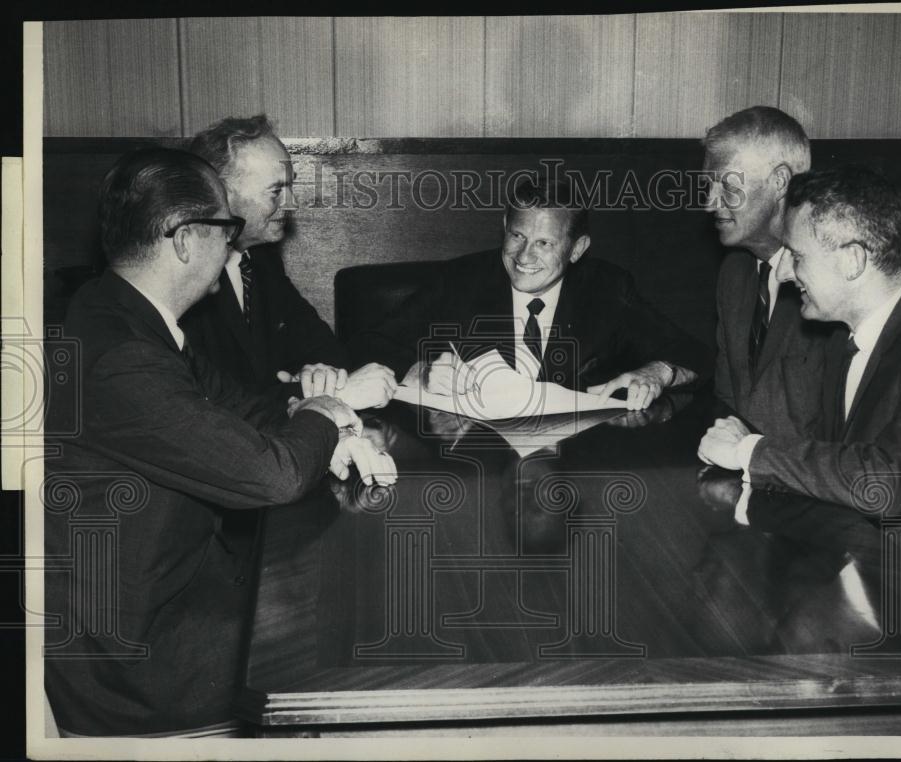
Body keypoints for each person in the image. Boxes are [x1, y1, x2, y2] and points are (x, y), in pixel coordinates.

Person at [44, 148, 397, 736]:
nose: (235, 247)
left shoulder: (120, 311)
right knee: (362, 633)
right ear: (185, 240)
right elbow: (275, 476)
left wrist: (313, 421)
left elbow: (243, 406)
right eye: (226, 231)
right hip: (141, 659)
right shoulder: (121, 358)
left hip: (172, 593)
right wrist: (329, 414)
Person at [697, 166, 901, 515]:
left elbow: (883, 486)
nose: (783, 272)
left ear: (852, 260)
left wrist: (747, 450)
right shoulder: (840, 337)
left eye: (796, 256)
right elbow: (832, 459)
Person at [353, 176, 710, 411]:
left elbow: (694, 354)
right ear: (504, 227)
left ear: (577, 248)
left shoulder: (607, 289)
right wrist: (421, 372)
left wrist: (658, 373)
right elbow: (365, 345)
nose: (525, 257)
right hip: (476, 466)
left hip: (575, 465)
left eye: (544, 243)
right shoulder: (459, 279)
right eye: (518, 236)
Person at [183, 114, 396, 406]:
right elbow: (207, 402)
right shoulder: (187, 277)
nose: (291, 202)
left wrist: (319, 374)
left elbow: (322, 346)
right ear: (218, 194)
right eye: (276, 191)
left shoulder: (261, 259)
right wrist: (317, 394)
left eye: (291, 186)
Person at [703, 106, 840, 437]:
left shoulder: (832, 284)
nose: (709, 203)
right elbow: (727, 402)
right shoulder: (734, 274)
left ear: (780, 181)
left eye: (727, 186)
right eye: (708, 186)